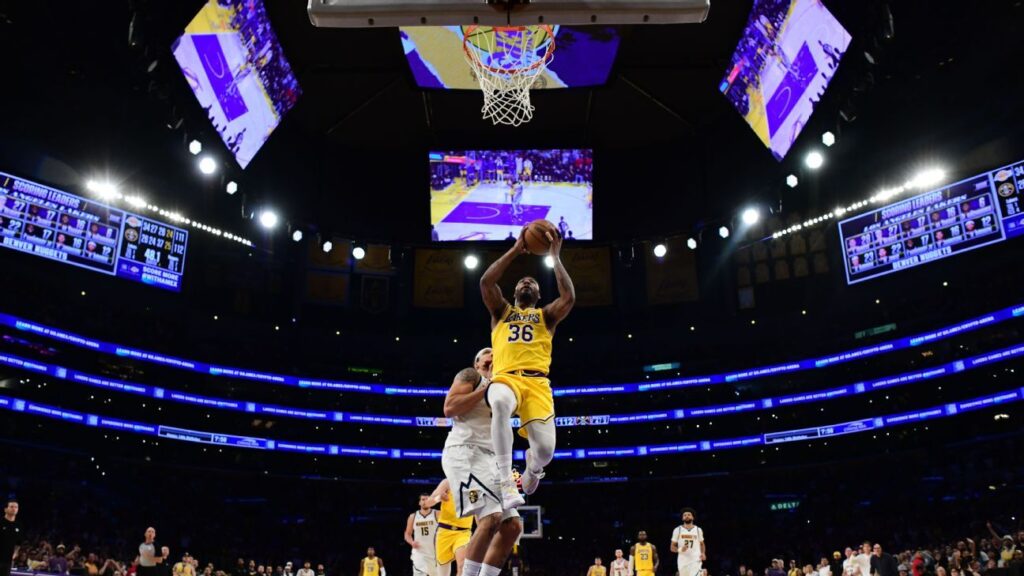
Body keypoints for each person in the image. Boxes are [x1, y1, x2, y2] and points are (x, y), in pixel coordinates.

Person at [480, 226, 575, 505]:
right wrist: (515, 249)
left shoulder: (546, 316)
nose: (526, 283)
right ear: (513, 291)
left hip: (537, 384)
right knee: (498, 403)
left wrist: (555, 257)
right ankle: (506, 480)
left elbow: (568, 298)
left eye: (532, 282)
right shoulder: (501, 311)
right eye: (522, 281)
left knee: (546, 451)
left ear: (538, 294)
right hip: (506, 378)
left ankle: (533, 467)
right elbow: (486, 282)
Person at [436, 347, 523, 576]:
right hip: (464, 453)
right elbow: (449, 408)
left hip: (492, 459)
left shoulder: (507, 386)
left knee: (513, 526)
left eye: (497, 356)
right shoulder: (471, 376)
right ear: (477, 365)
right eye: (486, 358)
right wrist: (486, 386)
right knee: (491, 517)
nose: (492, 359)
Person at [404, 494, 439, 576]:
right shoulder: (413, 516)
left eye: (427, 499)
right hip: (419, 553)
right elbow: (407, 534)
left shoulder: (437, 514)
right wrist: (412, 542)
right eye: (423, 499)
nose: (425, 501)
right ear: (419, 502)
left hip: (434, 553)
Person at [671, 509, 705, 576]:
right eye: (685, 515)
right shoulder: (677, 530)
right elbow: (672, 547)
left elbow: (702, 544)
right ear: (682, 518)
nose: (687, 516)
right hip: (683, 560)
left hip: (695, 560)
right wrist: (680, 549)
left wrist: (703, 553)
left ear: (693, 517)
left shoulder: (698, 530)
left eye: (689, 515)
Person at [0, 498, 20, 576]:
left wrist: (14, 554)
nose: (14, 509)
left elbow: (18, 544)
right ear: (5, 509)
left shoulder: (19, 526)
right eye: (11, 507)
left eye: (16, 507)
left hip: (7, 561)